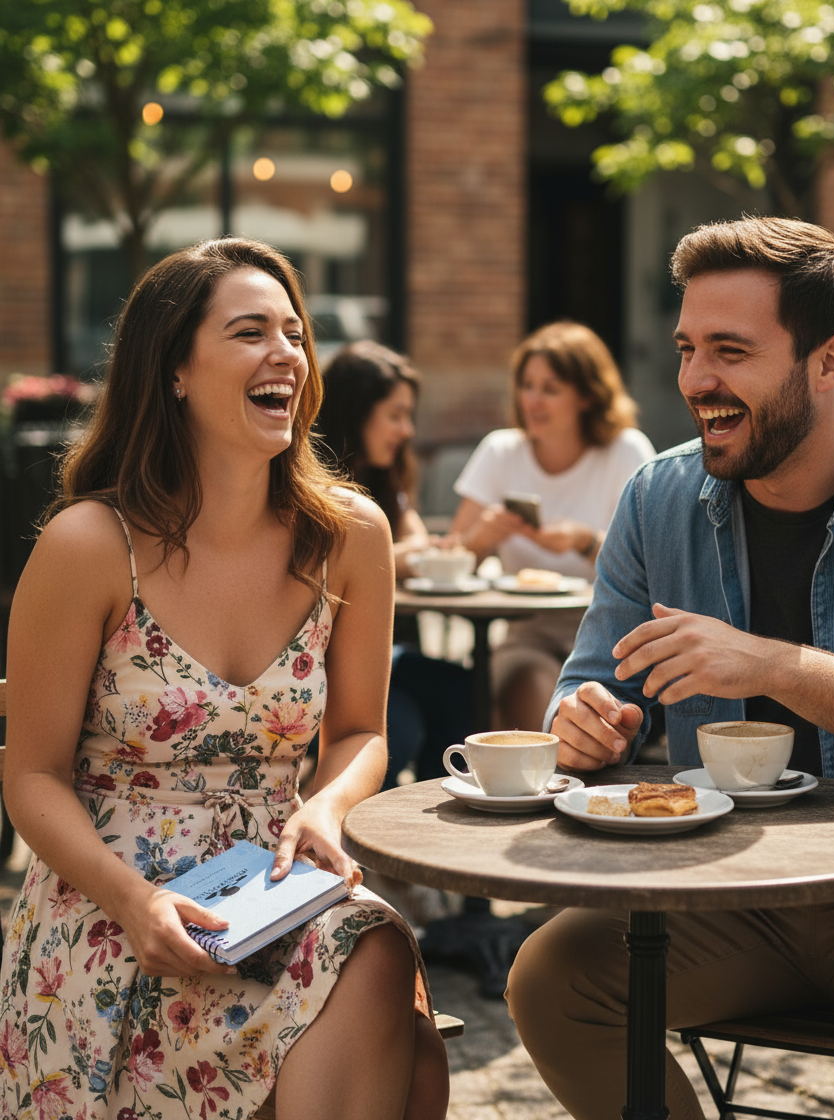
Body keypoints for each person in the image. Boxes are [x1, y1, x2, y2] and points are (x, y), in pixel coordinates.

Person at [0, 238, 449, 1120]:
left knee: (376, 949)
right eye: (250, 333)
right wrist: (134, 903)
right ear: (173, 370)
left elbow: (361, 731)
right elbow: (30, 775)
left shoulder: (351, 535)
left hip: (277, 882)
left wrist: (325, 808)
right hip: (112, 903)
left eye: (294, 333)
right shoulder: (90, 545)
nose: (286, 353)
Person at [505, 215, 834, 1120]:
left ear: (831, 360)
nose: (697, 381)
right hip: (729, 889)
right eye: (689, 348)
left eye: (731, 351)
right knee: (550, 979)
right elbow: (590, 685)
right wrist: (585, 724)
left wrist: (770, 663)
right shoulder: (659, 496)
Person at [450, 321, 654, 731]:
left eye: (551, 388)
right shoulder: (501, 451)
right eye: (528, 385)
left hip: (613, 639)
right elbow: (452, 558)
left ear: (586, 396)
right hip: (530, 634)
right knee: (533, 686)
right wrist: (479, 541)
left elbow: (656, 565)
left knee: (599, 708)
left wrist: (584, 541)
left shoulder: (625, 451)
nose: (533, 400)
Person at [315, 341, 472, 789]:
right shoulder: (309, 480)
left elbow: (416, 541)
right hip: (316, 666)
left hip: (378, 655)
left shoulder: (383, 477)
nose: (406, 430)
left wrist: (405, 551)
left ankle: (437, 818)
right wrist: (401, 555)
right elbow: (405, 555)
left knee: (458, 687)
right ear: (356, 412)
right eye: (395, 415)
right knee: (398, 726)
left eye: (410, 416)